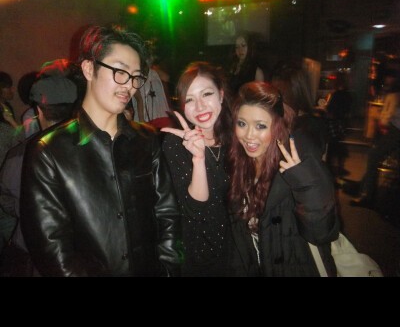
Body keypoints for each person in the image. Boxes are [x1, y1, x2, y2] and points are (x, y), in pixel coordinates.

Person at [20, 25, 182, 277]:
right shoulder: (49, 150)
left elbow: (167, 215)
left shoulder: (146, 139)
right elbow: (52, 247)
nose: (129, 85)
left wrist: (168, 270)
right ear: (88, 69)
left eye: (136, 77)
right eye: (120, 72)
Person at [227, 82, 339, 277]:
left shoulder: (297, 161)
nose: (249, 135)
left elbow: (322, 233)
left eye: (261, 126)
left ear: (277, 126)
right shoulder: (237, 164)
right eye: (242, 124)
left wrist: (304, 182)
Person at [0, 59, 78, 276]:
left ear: (39, 111)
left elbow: (5, 197)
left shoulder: (20, 154)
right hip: (77, 253)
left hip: (32, 250)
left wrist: (27, 211)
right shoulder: (92, 149)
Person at [161, 61, 234, 277]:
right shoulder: (175, 144)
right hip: (199, 255)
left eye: (207, 94)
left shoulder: (237, 138)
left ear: (221, 95)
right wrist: (199, 159)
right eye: (190, 99)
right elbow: (196, 209)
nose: (200, 107)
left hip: (239, 252)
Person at [351, 69, 400, 208]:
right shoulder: (393, 93)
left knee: (374, 155)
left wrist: (382, 120)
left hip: (395, 130)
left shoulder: (394, 95)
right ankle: (364, 187)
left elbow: (389, 115)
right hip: (393, 129)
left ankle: (366, 194)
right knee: (375, 156)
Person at [271, 66, 329, 160]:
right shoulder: (278, 120)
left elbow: (315, 164)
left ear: (296, 95)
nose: (273, 101)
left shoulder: (307, 129)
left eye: (280, 95)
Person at [132, 43, 172, 129]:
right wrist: (142, 123)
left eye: (151, 57)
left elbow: (167, 78)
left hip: (160, 117)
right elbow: (139, 100)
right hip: (145, 119)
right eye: (149, 57)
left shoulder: (154, 72)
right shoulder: (135, 76)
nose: (151, 59)